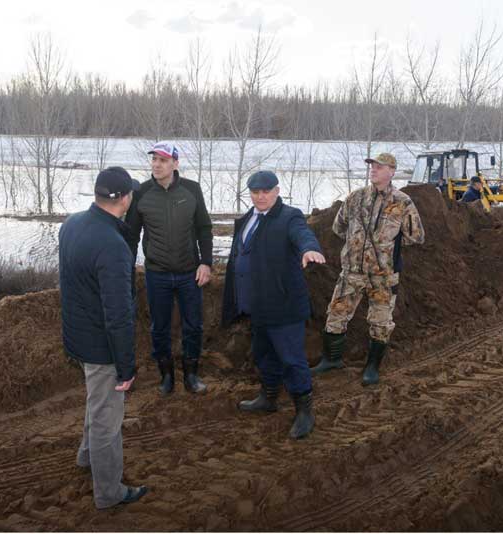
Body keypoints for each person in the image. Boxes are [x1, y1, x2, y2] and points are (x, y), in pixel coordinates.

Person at [59, 166, 147, 509]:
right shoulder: (112, 245)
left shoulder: (72, 224)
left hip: (77, 336)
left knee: (96, 401)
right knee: (108, 420)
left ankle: (85, 456)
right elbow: (119, 315)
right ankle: (109, 492)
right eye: (131, 194)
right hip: (101, 346)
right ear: (124, 199)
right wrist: (125, 368)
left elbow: (74, 284)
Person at [221, 170, 326, 439]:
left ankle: (304, 411)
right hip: (258, 306)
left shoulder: (288, 216)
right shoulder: (248, 218)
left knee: (292, 360)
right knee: (263, 354)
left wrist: (309, 249)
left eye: (266, 191)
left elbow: (302, 234)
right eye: (255, 192)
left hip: (284, 305)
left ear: (277, 191)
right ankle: (268, 398)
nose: (260, 196)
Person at [311, 153, 425, 385]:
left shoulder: (403, 203)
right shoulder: (355, 198)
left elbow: (416, 236)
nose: (373, 169)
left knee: (380, 322)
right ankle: (331, 359)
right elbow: (339, 227)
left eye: (379, 166)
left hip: (383, 276)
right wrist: (357, 247)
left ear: (391, 171)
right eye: (372, 166)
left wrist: (385, 249)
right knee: (336, 313)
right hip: (352, 272)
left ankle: (372, 367)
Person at [126, 141, 213, 396]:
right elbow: (132, 236)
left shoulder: (192, 190)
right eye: (154, 159)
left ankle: (191, 375)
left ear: (175, 163)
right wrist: (126, 269)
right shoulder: (141, 194)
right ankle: (166, 376)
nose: (156, 164)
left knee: (193, 325)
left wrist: (206, 263)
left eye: (163, 160)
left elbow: (204, 229)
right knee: (159, 327)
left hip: (189, 272)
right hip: (157, 273)